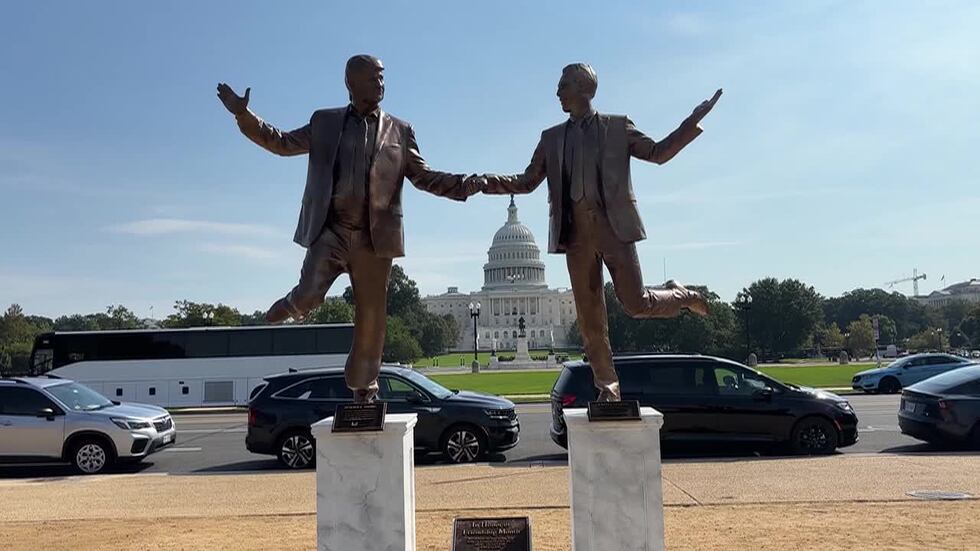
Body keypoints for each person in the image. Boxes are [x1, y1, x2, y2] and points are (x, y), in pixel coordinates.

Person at [217, 55, 483, 402]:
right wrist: (243, 114)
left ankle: (363, 388)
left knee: (371, 319)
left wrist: (463, 184)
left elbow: (423, 176)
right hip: (331, 230)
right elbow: (280, 142)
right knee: (311, 293)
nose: (381, 84)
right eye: (374, 78)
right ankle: (295, 302)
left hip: (374, 239)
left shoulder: (400, 131)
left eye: (383, 78)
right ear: (351, 83)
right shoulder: (325, 122)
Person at [480, 63, 721, 401]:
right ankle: (608, 388)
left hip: (614, 230)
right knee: (591, 320)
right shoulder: (551, 138)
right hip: (574, 237)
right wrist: (484, 182)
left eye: (564, 85)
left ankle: (680, 294)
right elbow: (526, 181)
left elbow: (657, 153)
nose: (557, 92)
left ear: (585, 89)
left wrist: (690, 123)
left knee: (636, 304)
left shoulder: (617, 127)